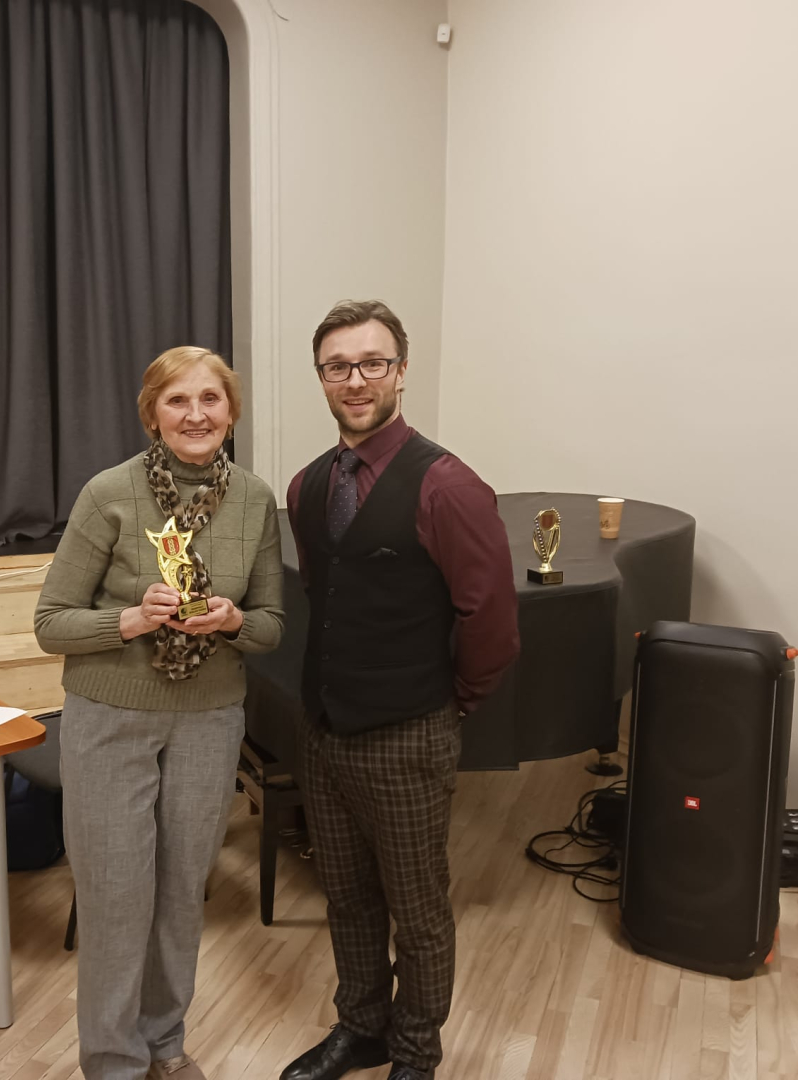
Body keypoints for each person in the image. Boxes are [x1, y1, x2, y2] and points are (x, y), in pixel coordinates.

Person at [278, 301, 520, 1080]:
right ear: (321, 378)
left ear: (401, 371)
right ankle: (363, 1028)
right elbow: (326, 593)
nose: (355, 380)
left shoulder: (449, 487)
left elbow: (490, 621)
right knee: (347, 898)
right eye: (337, 366)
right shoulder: (308, 486)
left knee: (417, 913)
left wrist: (453, 704)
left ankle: (415, 1052)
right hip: (324, 729)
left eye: (372, 363)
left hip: (409, 734)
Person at [34, 346, 285, 1080]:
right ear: (152, 415)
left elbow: (272, 626)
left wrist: (234, 621)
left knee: (180, 898)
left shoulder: (256, 500)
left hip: (210, 721)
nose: (196, 414)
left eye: (211, 399)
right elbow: (51, 623)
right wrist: (130, 620)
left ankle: (164, 1045)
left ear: (231, 412)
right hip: (110, 718)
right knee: (115, 900)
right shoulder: (107, 493)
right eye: (177, 400)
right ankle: (114, 1063)